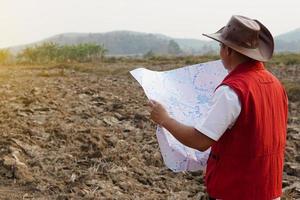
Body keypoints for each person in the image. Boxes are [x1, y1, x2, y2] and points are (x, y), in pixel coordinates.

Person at [149, 15, 288, 200]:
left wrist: (164, 119)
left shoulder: (232, 90)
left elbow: (200, 141)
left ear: (228, 50)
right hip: (270, 190)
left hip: (237, 191)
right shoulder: (276, 84)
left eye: (220, 47)